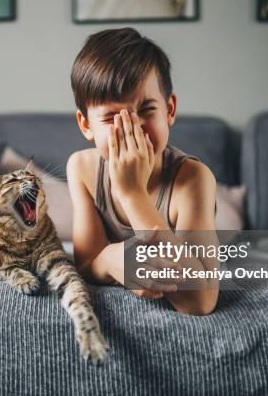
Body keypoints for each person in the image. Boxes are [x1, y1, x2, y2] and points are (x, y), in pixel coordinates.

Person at [66, 27, 219, 315]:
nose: (133, 129)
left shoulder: (193, 180)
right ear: (86, 124)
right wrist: (111, 259)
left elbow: (199, 301)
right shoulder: (82, 168)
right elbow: (86, 265)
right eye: (112, 117)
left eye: (147, 110)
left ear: (169, 110)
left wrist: (132, 193)